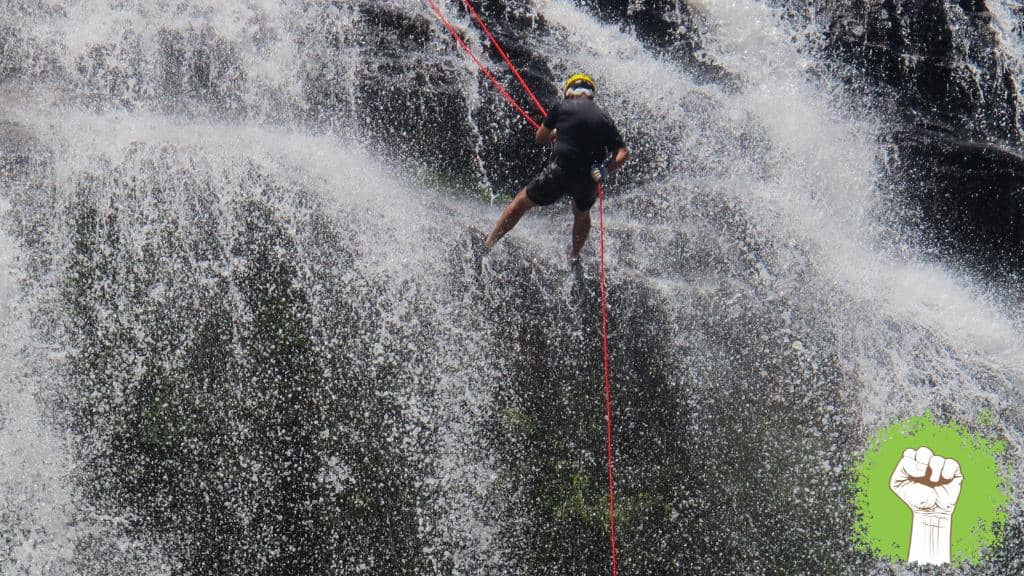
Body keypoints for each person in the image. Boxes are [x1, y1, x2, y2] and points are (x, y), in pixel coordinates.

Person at [483, 73, 629, 260]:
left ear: (569, 92)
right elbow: (623, 153)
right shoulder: (604, 118)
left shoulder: (561, 107)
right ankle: (574, 256)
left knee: (520, 203)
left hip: (560, 173)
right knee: (582, 212)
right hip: (587, 181)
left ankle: (489, 243)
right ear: (591, 94)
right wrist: (605, 170)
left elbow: (540, 138)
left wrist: (553, 133)